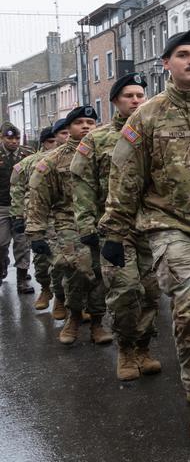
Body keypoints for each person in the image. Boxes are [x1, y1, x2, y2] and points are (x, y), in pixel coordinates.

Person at [99, 29, 190, 441]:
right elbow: (125, 177)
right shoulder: (146, 116)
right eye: (183, 55)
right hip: (168, 226)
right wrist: (115, 231)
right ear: (166, 64)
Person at [71, 73, 161, 381]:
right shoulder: (96, 140)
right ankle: (125, 348)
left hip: (152, 226)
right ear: (114, 103)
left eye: (140, 95)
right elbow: (81, 183)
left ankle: (144, 348)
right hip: (114, 228)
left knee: (151, 291)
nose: (136, 100)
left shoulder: (155, 132)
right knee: (124, 291)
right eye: (129, 96)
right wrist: (85, 225)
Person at [27, 106, 110, 345]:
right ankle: (73, 317)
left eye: (91, 122)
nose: (86, 126)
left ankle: (96, 323)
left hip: (101, 222)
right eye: (80, 122)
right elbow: (38, 197)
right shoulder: (53, 160)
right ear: (69, 128)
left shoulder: (105, 152)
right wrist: (36, 233)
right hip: (68, 222)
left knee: (100, 273)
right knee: (79, 269)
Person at [11, 126, 56, 309]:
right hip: (40, 217)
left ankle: (67, 301)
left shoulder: (74, 158)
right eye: (51, 141)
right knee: (42, 258)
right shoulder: (30, 163)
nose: (55, 144)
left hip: (67, 216)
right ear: (44, 143)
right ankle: (45, 288)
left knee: (71, 262)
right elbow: (17, 189)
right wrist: (18, 216)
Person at [0, 122, 34, 294]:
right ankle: (3, 264)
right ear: (2, 138)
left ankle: (22, 280)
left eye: (17, 138)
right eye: (10, 138)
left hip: (22, 207)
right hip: (2, 206)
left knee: (22, 244)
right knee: (1, 243)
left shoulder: (27, 154)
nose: (14, 141)